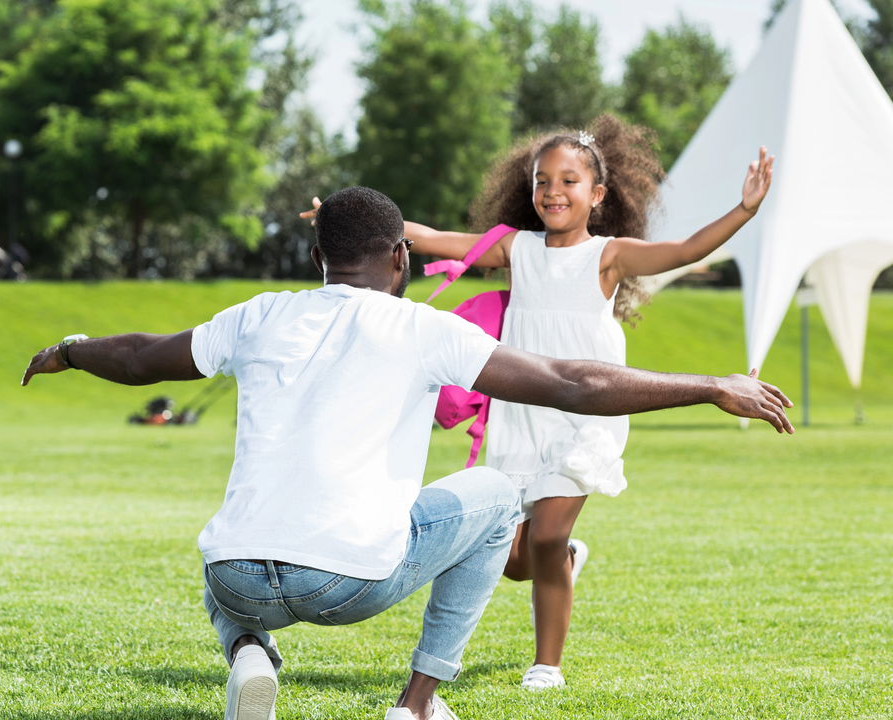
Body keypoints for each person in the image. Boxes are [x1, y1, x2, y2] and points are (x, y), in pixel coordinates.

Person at [22, 186, 791, 720]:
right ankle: (417, 700)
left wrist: (71, 347)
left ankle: (249, 654)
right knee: (494, 494)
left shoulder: (258, 315)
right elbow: (570, 382)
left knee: (231, 543)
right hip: (346, 584)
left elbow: (144, 356)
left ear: (318, 254)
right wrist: (707, 385)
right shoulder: (426, 329)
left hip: (240, 581)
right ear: (398, 258)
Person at [300, 116, 774, 690]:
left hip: (586, 412)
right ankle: (567, 557)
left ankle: (546, 664)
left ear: (597, 195)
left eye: (569, 181)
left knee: (544, 536)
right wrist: (341, 222)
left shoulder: (609, 256)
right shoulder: (517, 249)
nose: (553, 191)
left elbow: (683, 250)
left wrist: (744, 210)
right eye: (541, 180)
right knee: (516, 559)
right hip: (520, 413)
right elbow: (429, 238)